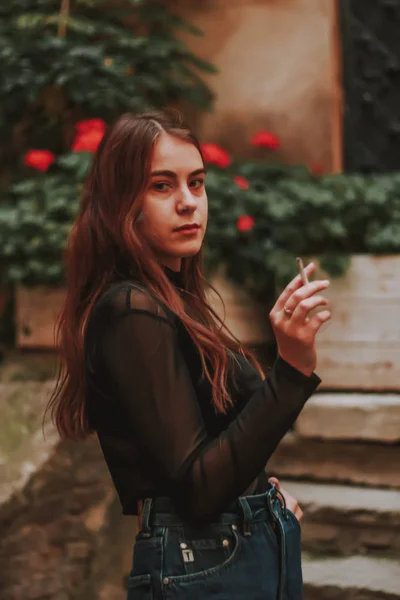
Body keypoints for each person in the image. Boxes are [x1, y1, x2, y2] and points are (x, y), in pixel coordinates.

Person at [47, 110, 331, 600]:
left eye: (196, 183)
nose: (187, 203)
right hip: (206, 566)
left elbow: (218, 452)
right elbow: (197, 489)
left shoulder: (175, 302)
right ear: (121, 203)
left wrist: (263, 499)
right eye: (162, 186)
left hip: (236, 556)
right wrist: (293, 367)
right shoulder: (131, 309)